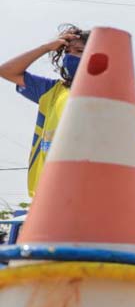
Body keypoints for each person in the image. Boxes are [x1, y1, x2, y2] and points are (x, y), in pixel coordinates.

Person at [0, 24, 89, 196]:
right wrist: (46, 47)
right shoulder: (51, 90)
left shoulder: (109, 94)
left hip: (86, 189)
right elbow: (6, 71)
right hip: (48, 191)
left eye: (79, 51)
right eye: (67, 51)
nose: (70, 56)